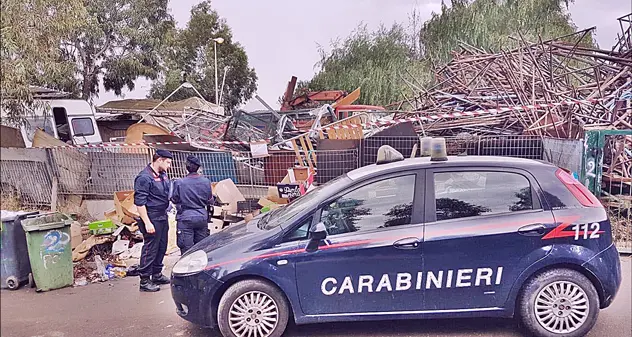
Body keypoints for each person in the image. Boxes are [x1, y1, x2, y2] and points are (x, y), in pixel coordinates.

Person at [133, 149, 173, 292]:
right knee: (150, 248)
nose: (169, 165)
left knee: (162, 247)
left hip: (162, 216)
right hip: (151, 217)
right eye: (168, 162)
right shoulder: (144, 178)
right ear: (159, 160)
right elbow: (140, 203)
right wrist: (147, 222)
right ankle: (144, 280)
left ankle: (156, 274)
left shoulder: (162, 175)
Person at [170, 155, 213, 254]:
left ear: (186, 167)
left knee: (186, 249)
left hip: (185, 217)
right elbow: (210, 200)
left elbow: (174, 199)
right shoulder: (206, 182)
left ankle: (186, 268)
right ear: (198, 168)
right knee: (201, 247)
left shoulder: (180, 182)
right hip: (202, 217)